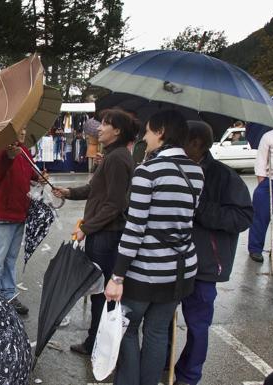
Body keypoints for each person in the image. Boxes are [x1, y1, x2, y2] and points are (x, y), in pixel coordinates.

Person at [104, 110, 204, 385]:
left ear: (160, 132)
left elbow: (135, 228)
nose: (144, 137)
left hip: (146, 269)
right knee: (158, 332)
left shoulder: (147, 171)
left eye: (147, 131)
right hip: (180, 270)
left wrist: (117, 277)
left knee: (128, 328)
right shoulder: (196, 172)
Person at [172, 121, 253, 385]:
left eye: (181, 140)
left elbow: (242, 217)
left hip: (205, 266)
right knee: (161, 322)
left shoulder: (225, 176)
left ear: (197, 143)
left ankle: (188, 376)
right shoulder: (173, 169)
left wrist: (199, 207)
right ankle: (161, 365)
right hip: (170, 262)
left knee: (197, 326)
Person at [52, 108, 137, 355]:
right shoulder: (112, 156)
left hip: (105, 236)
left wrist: (85, 229)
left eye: (104, 125)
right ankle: (97, 341)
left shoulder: (117, 158)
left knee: (100, 291)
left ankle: (97, 344)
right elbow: (95, 190)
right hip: (102, 233)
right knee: (98, 290)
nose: (98, 128)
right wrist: (69, 192)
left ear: (117, 131)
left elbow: (115, 204)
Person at [0, 127, 45, 315]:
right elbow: (0, 166)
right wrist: (9, 155)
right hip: (2, 215)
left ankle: (9, 294)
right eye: (19, 129)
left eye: (26, 129)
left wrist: (40, 178)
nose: (23, 132)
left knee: (10, 259)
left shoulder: (24, 150)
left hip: (20, 213)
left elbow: (31, 174)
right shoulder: (0, 151)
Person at [248, 125, 273, 263]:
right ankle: (255, 249)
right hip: (271, 181)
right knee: (261, 216)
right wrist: (261, 180)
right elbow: (261, 160)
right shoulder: (270, 136)